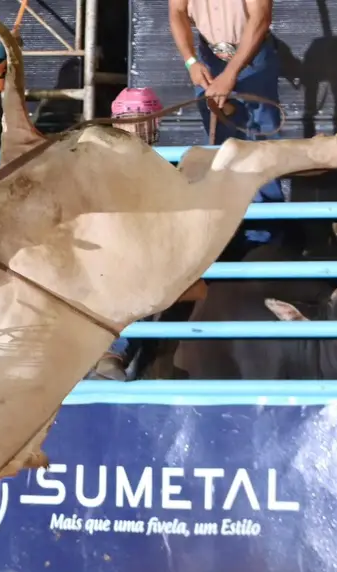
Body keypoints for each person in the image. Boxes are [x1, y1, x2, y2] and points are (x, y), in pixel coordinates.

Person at [168, 0, 281, 248]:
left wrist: (230, 74)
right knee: (222, 147)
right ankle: (231, 235)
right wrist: (191, 61)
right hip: (210, 56)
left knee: (259, 141)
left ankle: (266, 238)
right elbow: (176, 11)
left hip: (252, 56)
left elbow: (260, 17)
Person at [90, 88, 166, 381]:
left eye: (144, 119)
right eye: (128, 120)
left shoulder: (163, 169)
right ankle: (108, 355)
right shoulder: (100, 164)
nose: (137, 127)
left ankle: (112, 355)